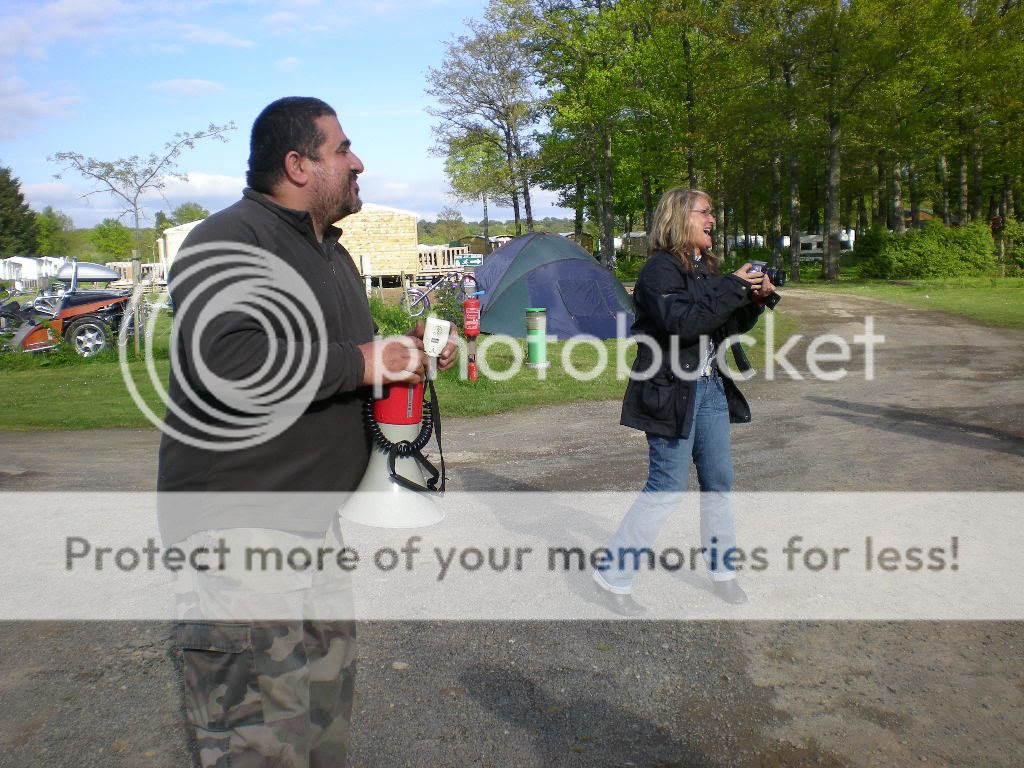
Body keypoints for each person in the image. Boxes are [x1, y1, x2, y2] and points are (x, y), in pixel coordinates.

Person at [157, 96, 457, 767]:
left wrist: (401, 354)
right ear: (297, 164)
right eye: (343, 149)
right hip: (242, 531)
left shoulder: (328, 251)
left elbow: (331, 361)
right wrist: (363, 361)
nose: (359, 162)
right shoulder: (231, 240)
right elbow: (225, 359)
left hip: (313, 525)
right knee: (256, 741)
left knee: (320, 726)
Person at [591, 187, 775, 615]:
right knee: (667, 488)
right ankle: (612, 575)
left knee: (719, 483)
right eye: (706, 212)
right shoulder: (659, 271)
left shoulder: (703, 268)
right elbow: (681, 324)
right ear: (680, 217)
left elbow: (720, 324)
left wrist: (755, 300)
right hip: (670, 391)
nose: (713, 219)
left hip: (709, 389)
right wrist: (732, 286)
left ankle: (723, 571)